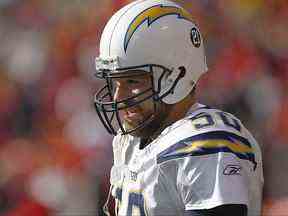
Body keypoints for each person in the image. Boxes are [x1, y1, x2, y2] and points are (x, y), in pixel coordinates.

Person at [93, 0, 264, 215]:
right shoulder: (131, 143)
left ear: (177, 76)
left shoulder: (206, 142)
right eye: (114, 82)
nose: (119, 97)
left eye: (133, 81)